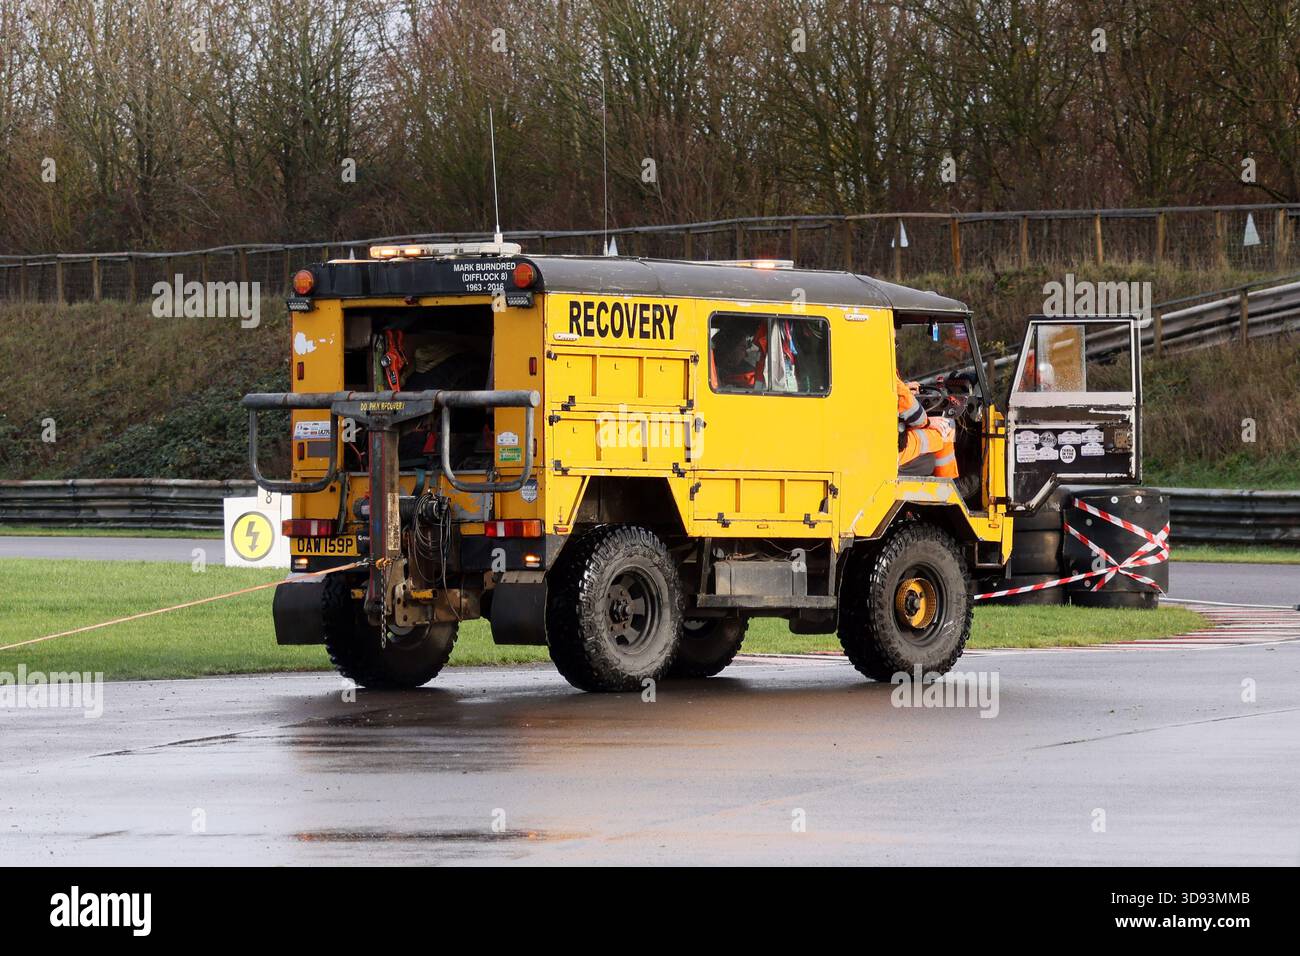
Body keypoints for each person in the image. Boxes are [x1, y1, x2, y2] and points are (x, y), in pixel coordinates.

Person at [895, 374, 958, 478]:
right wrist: (929, 422)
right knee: (945, 430)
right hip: (892, 447)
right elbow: (910, 409)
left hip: (876, 440)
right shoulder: (882, 366)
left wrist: (905, 387)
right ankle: (948, 485)